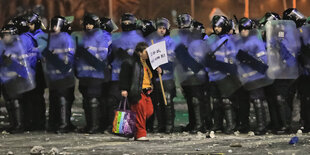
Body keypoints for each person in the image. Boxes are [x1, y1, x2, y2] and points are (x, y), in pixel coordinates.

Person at [73, 13, 111, 134]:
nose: (89, 26)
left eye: (91, 24)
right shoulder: (82, 37)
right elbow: (77, 56)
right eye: (87, 24)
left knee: (93, 100)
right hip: (84, 74)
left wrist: (88, 55)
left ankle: (95, 126)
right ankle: (89, 124)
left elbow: (103, 56)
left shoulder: (102, 37)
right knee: (86, 101)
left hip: (96, 74)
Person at [107, 13, 145, 131]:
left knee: (116, 102)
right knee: (133, 103)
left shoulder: (115, 38)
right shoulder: (141, 39)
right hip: (135, 77)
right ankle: (132, 127)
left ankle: (118, 126)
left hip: (118, 75)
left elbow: (109, 56)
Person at [37, 16, 75, 133]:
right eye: (53, 25)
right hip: (58, 75)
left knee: (59, 99)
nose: (54, 27)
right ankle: (59, 123)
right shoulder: (59, 38)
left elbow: (68, 56)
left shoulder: (60, 38)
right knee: (58, 99)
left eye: (56, 25)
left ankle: (59, 123)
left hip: (59, 75)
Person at [119, 42, 162, 141]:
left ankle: (133, 130)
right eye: (146, 52)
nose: (148, 54)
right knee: (140, 113)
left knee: (149, 111)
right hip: (137, 91)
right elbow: (124, 77)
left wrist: (159, 71)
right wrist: (124, 89)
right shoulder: (130, 62)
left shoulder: (148, 63)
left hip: (148, 92)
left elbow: (153, 75)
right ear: (139, 52)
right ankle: (140, 134)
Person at [0, 24, 36, 133]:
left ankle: (19, 124)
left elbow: (23, 62)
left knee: (15, 101)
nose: (5, 37)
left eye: (7, 34)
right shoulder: (4, 46)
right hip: (5, 78)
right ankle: (13, 123)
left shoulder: (17, 46)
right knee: (9, 102)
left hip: (16, 78)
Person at [146, 17, 176, 133]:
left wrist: (163, 69)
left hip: (167, 77)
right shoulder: (152, 41)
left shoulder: (170, 42)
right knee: (157, 102)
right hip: (156, 78)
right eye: (160, 28)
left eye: (164, 28)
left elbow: (172, 59)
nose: (162, 30)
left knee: (167, 100)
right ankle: (160, 125)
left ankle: (169, 125)